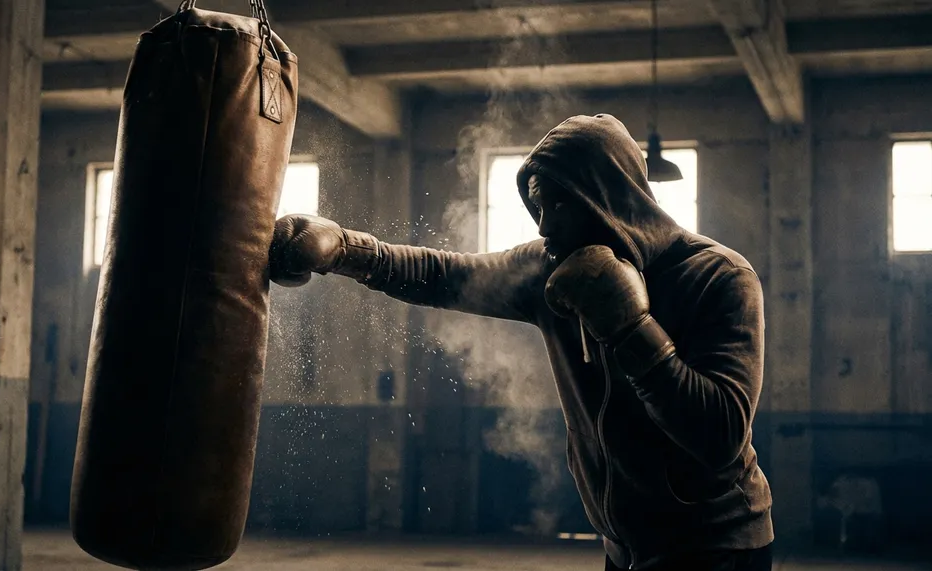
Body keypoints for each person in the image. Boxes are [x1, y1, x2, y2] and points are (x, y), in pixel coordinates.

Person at [268, 114, 774, 571]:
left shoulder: (719, 276)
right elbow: (446, 274)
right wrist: (345, 249)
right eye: (537, 204)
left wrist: (630, 328)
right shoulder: (547, 268)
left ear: (610, 194)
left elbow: (721, 434)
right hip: (624, 547)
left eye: (560, 202)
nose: (545, 223)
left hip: (718, 546)